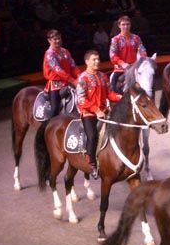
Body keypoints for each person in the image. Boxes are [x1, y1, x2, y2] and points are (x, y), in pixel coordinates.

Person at [76, 50, 121, 179]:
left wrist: (121, 97)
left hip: (104, 111)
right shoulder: (82, 78)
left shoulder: (103, 76)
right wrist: (96, 110)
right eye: (94, 59)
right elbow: (81, 99)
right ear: (87, 62)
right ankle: (92, 164)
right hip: (88, 113)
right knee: (93, 136)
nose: (97, 62)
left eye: (98, 59)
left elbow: (109, 94)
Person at [43, 29, 81, 119]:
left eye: (59, 38)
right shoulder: (49, 54)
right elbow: (57, 70)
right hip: (56, 85)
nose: (58, 41)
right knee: (55, 108)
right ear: (49, 40)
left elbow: (73, 66)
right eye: (55, 39)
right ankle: (47, 127)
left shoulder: (65, 52)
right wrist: (72, 80)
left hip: (68, 83)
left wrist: (80, 77)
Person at [109, 15, 147, 93]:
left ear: (130, 25)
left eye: (127, 24)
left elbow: (143, 51)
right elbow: (112, 55)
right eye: (123, 24)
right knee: (113, 88)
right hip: (120, 69)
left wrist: (140, 61)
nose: (126, 26)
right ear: (119, 25)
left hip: (134, 68)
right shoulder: (115, 40)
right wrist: (123, 64)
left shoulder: (136, 38)